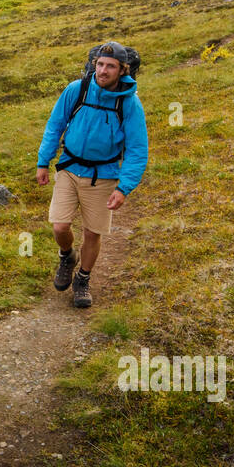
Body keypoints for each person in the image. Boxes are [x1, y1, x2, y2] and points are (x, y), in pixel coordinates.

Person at [36, 41, 148, 308]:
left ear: (123, 70)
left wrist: (124, 187)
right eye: (100, 64)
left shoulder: (129, 104)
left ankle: (83, 280)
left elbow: (137, 148)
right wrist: (43, 161)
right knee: (60, 226)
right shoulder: (77, 90)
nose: (103, 70)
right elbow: (55, 125)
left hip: (104, 175)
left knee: (92, 233)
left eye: (110, 66)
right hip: (70, 167)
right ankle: (67, 256)